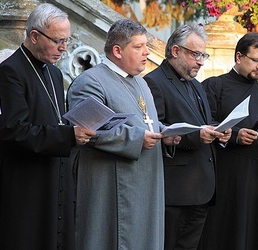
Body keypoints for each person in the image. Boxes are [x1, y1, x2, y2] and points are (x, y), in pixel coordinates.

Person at [66, 19, 180, 250]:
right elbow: (90, 129)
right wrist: (138, 138)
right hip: (113, 186)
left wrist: (164, 135)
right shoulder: (90, 82)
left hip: (148, 183)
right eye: (138, 47)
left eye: (146, 45)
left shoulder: (141, 82)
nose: (146, 52)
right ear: (117, 50)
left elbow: (147, 122)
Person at [0, 3, 96, 249]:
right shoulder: (9, 73)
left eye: (66, 40)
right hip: (23, 184)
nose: (64, 48)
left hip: (52, 176)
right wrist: (68, 135)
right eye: (58, 40)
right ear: (35, 36)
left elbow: (53, 119)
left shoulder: (54, 73)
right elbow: (11, 130)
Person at [198, 32, 258, 250]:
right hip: (231, 178)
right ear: (239, 57)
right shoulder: (215, 86)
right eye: (256, 60)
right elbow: (205, 124)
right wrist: (236, 135)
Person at [143, 23, 231, 250]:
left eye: (204, 55)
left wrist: (219, 130)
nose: (201, 61)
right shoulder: (154, 82)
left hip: (202, 189)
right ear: (176, 51)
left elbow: (202, 122)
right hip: (176, 192)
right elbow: (157, 129)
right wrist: (196, 136)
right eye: (196, 54)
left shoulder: (197, 85)